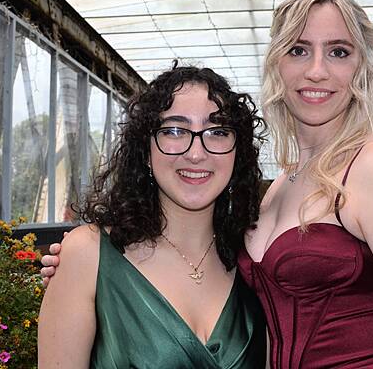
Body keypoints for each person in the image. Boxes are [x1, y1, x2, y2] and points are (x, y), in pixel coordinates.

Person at [43, 0, 373, 368]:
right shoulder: (276, 193)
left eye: (339, 52)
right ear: (277, 66)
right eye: (299, 50)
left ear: (362, 70)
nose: (317, 71)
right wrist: (89, 273)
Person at [37, 65, 267, 368]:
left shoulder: (256, 259)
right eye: (174, 130)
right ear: (146, 150)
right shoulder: (89, 254)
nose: (196, 153)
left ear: (237, 153)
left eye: (217, 131)